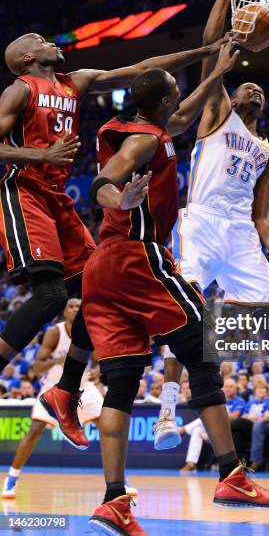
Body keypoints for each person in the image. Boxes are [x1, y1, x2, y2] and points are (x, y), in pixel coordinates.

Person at [76, 42, 269, 533]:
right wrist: (118, 195)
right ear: (165, 103)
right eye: (177, 92)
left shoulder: (149, 125)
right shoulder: (146, 141)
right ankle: (231, 473)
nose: (182, 98)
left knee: (122, 384)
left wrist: (220, 67)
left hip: (101, 269)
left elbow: (192, 107)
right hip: (138, 255)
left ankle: (113, 498)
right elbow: (101, 180)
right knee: (202, 348)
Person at [0, 31, 226, 449]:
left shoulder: (75, 82)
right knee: (51, 295)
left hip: (56, 197)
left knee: (95, 289)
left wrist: (204, 50)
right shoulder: (19, 90)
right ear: (26, 57)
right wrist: (39, 156)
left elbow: (143, 69)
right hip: (23, 191)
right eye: (39, 39)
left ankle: (65, 391)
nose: (50, 40)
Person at [156, 0, 269, 462]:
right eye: (247, 84)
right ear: (233, 98)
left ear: (263, 106)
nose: (253, 87)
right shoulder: (216, 113)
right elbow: (211, 42)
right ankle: (169, 409)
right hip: (202, 224)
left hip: (241, 236)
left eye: (260, 88)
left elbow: (263, 217)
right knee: (185, 309)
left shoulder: (266, 152)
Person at [1, 298, 137, 498]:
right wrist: (60, 359)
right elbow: (36, 368)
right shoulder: (55, 332)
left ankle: (121, 481)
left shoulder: (90, 329)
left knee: (108, 426)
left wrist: (97, 374)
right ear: (65, 312)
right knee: (35, 430)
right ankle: (12, 479)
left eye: (78, 306)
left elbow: (98, 360)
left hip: (84, 387)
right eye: (71, 306)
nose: (75, 309)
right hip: (54, 387)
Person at [179, 378, 245, 473]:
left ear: (236, 389)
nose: (228, 389)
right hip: (212, 431)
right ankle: (191, 464)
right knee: (197, 430)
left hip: (227, 432)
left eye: (231, 386)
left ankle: (183, 430)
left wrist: (218, 416)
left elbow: (234, 416)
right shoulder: (220, 401)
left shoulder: (239, 401)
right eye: (226, 386)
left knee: (210, 417)